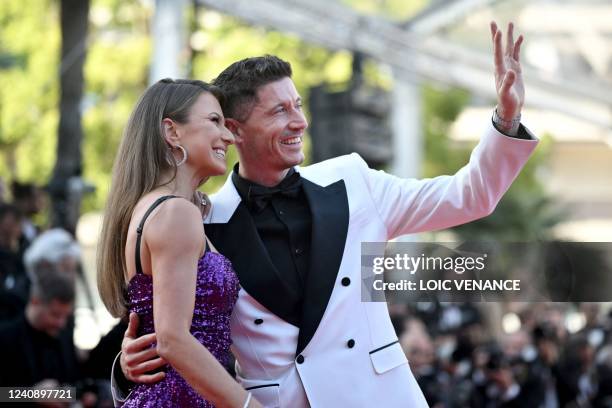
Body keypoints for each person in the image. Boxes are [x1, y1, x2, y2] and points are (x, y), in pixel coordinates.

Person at [116, 22, 538, 407]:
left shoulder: (354, 181)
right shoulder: (201, 219)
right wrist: (125, 367)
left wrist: (506, 117)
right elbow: (173, 335)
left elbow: (470, 196)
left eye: (297, 105)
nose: (299, 121)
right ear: (234, 130)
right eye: (279, 111)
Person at [96, 78, 261, 407]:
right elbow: (172, 340)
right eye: (214, 121)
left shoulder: (157, 209)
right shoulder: (175, 213)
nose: (228, 136)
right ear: (172, 133)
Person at [0, 263, 79, 387]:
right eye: (55, 315)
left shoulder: (64, 335)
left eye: (66, 316)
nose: (61, 323)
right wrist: (31, 395)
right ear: (35, 301)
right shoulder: (5, 338)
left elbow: (72, 381)